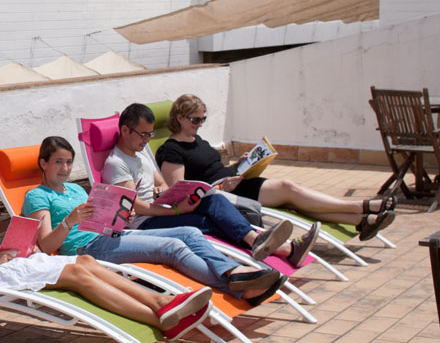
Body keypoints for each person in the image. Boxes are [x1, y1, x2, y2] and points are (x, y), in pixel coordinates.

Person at [0, 135, 215, 341]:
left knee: (83, 261)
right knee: (75, 275)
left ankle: (162, 302)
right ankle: (158, 318)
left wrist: (8, 248)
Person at [22, 136, 284, 306]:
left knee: (190, 232)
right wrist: (69, 221)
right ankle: (238, 288)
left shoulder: (77, 190)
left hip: (110, 235)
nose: (65, 169)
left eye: (68, 162)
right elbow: (45, 246)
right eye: (58, 162)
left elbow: (100, 220)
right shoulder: (36, 196)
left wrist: (121, 216)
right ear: (43, 163)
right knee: (171, 248)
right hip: (86, 249)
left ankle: (234, 272)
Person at [104, 103, 320, 268]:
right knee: (208, 220)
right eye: (143, 134)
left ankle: (264, 243)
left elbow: (160, 182)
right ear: (125, 130)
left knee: (214, 199)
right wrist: (177, 210)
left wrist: (164, 190)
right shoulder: (117, 163)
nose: (147, 140)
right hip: (144, 224)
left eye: (150, 134)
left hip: (161, 211)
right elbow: (135, 206)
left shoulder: (142, 155)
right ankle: (281, 249)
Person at [156, 94, 396, 242]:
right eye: (195, 119)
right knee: (288, 188)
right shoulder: (171, 150)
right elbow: (181, 193)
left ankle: (361, 220)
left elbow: (214, 167)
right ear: (179, 118)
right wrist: (220, 186)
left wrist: (242, 164)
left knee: (294, 203)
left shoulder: (199, 141)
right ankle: (361, 206)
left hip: (237, 182)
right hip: (225, 195)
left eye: (202, 119)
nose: (200, 124)